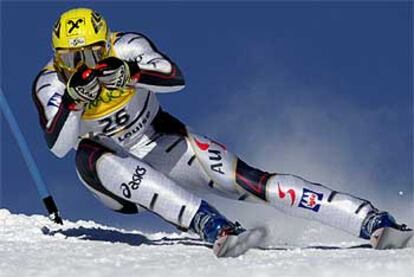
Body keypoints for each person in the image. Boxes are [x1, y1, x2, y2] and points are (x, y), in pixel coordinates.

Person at [33, 8, 411, 257]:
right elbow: (58, 146)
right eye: (72, 60)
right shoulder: (50, 82)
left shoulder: (128, 45)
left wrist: (129, 73)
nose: (85, 68)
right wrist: (73, 100)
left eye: (94, 56)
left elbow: (173, 78)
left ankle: (368, 219)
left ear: (107, 43)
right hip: (108, 174)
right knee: (91, 155)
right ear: (57, 57)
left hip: (161, 140)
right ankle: (210, 224)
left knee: (247, 180)